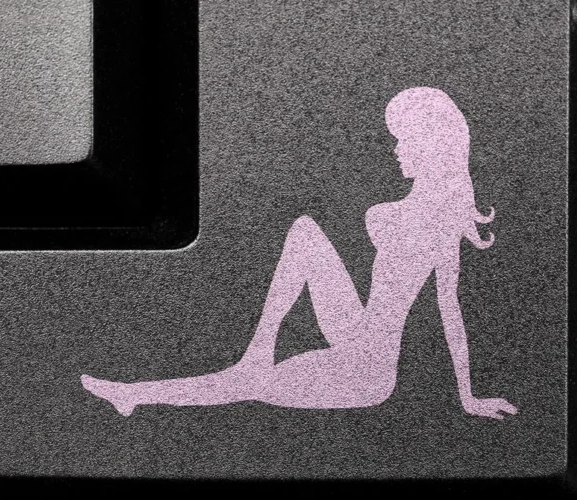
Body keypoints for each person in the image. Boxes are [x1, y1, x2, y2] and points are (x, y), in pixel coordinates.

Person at [81, 87, 518, 420]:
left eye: (404, 140)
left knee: (246, 385)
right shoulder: (398, 212)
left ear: (431, 145)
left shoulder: (441, 221)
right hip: (352, 331)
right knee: (305, 233)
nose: (396, 150)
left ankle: (137, 394)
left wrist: (468, 397)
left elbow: (449, 308)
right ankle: (243, 357)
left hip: (366, 372)